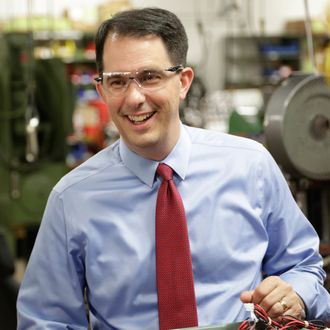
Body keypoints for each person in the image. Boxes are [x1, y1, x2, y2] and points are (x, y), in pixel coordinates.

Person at [17, 7, 330, 329]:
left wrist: (297, 295)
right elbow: (45, 320)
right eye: (118, 82)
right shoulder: (72, 199)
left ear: (183, 82)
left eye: (149, 77)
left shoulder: (251, 166)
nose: (134, 97)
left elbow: (303, 266)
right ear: (101, 90)